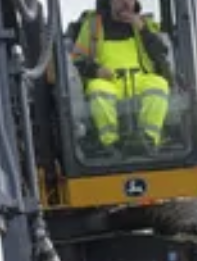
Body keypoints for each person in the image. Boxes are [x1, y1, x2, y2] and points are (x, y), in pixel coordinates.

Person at [72, 0, 173, 150]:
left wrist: (143, 30)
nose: (126, 3)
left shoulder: (146, 24)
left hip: (140, 80)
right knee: (97, 88)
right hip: (110, 82)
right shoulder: (93, 26)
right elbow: (77, 59)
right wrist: (95, 70)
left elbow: (161, 53)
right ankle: (110, 143)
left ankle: (148, 139)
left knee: (159, 85)